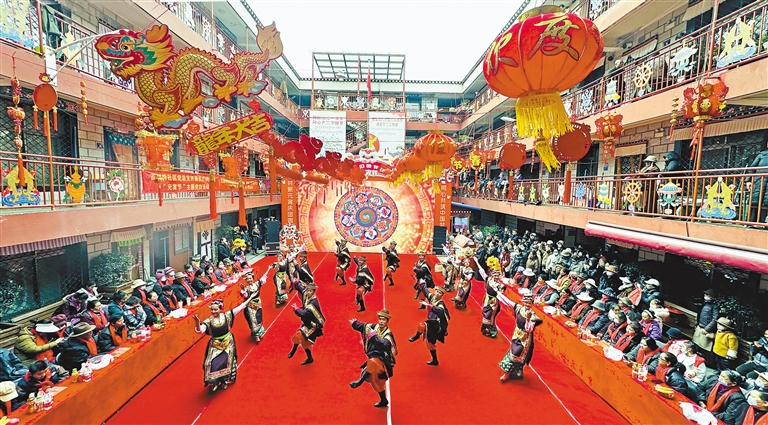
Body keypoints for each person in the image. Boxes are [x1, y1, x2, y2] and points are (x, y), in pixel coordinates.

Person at [193, 296, 254, 393]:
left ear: (220, 309)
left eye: (215, 310)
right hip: (215, 344)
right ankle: (214, 382)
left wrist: (250, 297)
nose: (213, 312)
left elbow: (241, 307)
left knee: (225, 363)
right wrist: (197, 322)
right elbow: (200, 330)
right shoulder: (208, 321)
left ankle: (223, 381)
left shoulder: (227, 315)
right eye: (212, 310)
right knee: (210, 364)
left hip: (227, 342)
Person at [349, 310, 397, 408]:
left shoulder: (388, 335)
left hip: (384, 363)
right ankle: (383, 400)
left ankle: (360, 381)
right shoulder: (374, 327)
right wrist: (355, 323)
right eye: (380, 319)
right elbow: (363, 326)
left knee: (372, 362)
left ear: (387, 321)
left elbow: (383, 345)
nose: (381, 321)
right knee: (376, 384)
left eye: (383, 320)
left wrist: (374, 335)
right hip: (374, 362)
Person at [498, 288, 542, 381]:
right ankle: (511, 372)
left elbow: (529, 329)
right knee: (513, 352)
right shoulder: (519, 308)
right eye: (526, 302)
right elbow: (508, 301)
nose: (527, 305)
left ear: (532, 303)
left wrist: (528, 319)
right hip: (517, 334)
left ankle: (512, 372)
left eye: (529, 303)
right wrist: (498, 293)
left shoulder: (533, 316)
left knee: (518, 353)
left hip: (525, 337)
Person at [408, 285, 449, 366]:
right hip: (432, 322)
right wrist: (422, 283)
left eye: (440, 293)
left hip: (437, 324)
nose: (437, 293)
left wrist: (429, 306)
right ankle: (435, 360)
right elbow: (426, 292)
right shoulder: (432, 297)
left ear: (442, 295)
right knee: (430, 343)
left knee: (422, 326)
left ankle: (417, 336)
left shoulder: (440, 303)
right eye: (437, 291)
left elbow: (440, 311)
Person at [287, 283, 325, 365]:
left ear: (313, 292)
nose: (307, 292)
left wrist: (296, 309)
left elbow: (303, 314)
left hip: (313, 325)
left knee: (299, 336)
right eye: (307, 290)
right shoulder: (307, 295)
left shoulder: (313, 303)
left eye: (310, 291)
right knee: (305, 342)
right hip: (308, 323)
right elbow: (301, 289)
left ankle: (294, 350)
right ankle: (309, 358)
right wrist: (296, 283)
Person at [694, 288, 719, 365]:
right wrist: (697, 324)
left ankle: (707, 363)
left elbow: (715, 319)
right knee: (697, 344)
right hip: (700, 327)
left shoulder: (715, 306)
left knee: (705, 347)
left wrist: (707, 329)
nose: (705, 296)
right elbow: (699, 315)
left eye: (707, 295)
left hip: (706, 329)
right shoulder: (704, 304)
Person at [481, 258, 505, 338]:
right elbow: (482, 272)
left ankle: (491, 329)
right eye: (495, 275)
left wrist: (498, 290)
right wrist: (477, 262)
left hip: (494, 302)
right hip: (487, 298)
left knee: (490, 316)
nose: (496, 277)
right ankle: (484, 328)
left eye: (498, 275)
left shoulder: (500, 285)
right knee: (485, 313)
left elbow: (501, 293)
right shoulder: (489, 280)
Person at [241, 272, 267, 342]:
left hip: (258, 304)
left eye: (250, 278)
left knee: (259, 318)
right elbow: (245, 296)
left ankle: (260, 331)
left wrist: (268, 269)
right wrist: (244, 290)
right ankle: (256, 335)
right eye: (247, 279)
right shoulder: (246, 288)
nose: (249, 280)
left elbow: (263, 277)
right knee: (253, 320)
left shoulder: (257, 284)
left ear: (253, 278)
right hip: (250, 306)